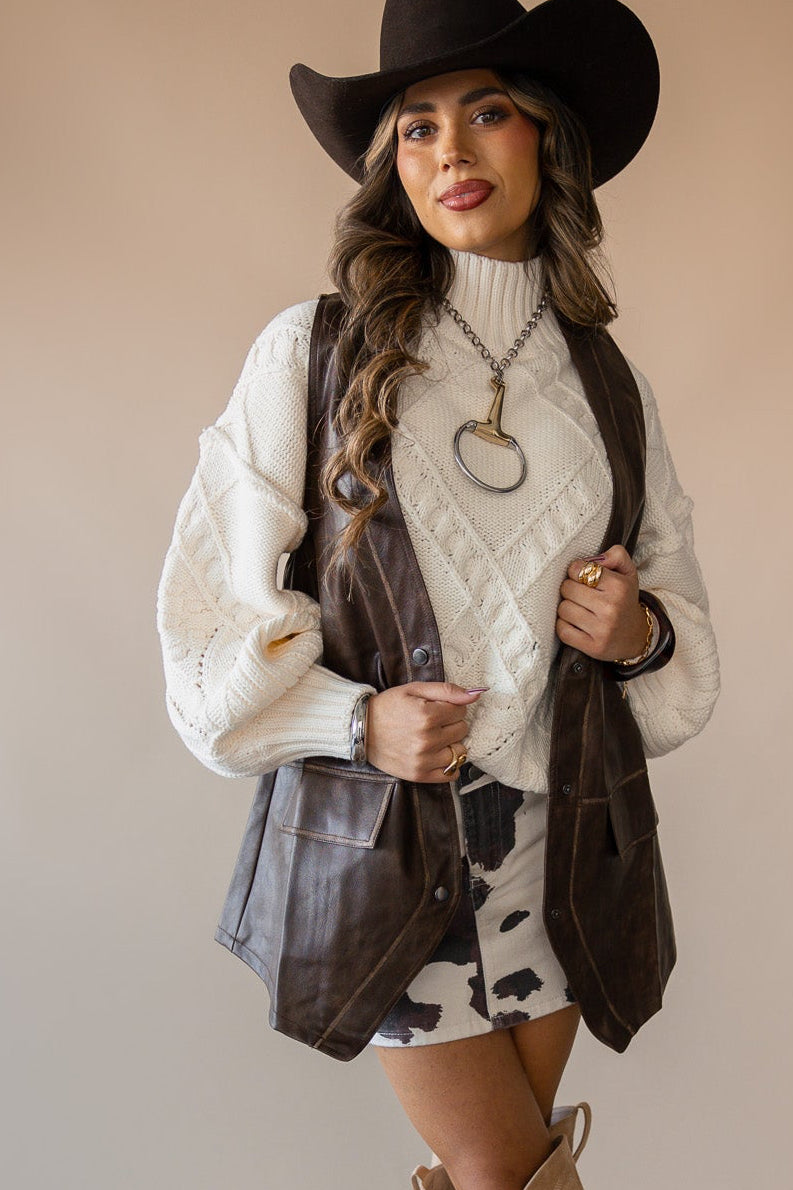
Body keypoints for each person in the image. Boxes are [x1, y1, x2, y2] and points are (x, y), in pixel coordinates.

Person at [157, 2, 720, 1188]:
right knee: (501, 1166)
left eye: (487, 114)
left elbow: (677, 635)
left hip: (568, 847)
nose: (450, 152)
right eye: (416, 128)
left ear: (545, 141)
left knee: (495, 1173)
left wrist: (637, 630)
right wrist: (353, 720)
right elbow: (207, 625)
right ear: (390, 164)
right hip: (388, 847)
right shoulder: (310, 353)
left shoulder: (606, 382)